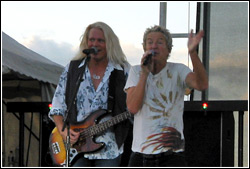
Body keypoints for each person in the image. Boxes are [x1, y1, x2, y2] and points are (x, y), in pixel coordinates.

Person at [48, 21, 131, 167]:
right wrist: (63, 131)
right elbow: (57, 105)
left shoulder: (122, 70)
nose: (95, 44)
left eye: (100, 40)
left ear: (109, 43)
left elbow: (134, 102)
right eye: (91, 40)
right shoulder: (73, 69)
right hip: (75, 145)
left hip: (109, 147)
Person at [124, 25, 208, 167]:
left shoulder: (178, 70)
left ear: (168, 49)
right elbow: (132, 107)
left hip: (171, 156)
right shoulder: (136, 71)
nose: (154, 46)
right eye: (150, 42)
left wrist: (192, 53)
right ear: (144, 47)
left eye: (160, 42)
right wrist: (145, 73)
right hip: (141, 156)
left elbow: (201, 84)